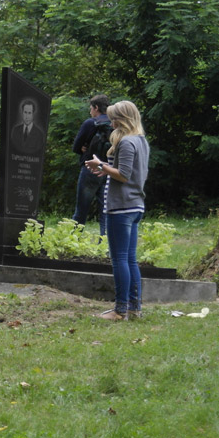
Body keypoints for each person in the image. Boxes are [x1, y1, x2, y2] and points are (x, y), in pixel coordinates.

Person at [85, 100, 149, 321]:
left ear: (123, 119)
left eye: (114, 119)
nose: (111, 123)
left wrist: (100, 166)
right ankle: (134, 308)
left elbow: (124, 175)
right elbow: (124, 172)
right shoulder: (141, 141)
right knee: (130, 259)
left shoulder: (127, 142)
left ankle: (120, 310)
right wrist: (105, 168)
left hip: (121, 207)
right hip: (135, 205)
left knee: (119, 259)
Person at [71, 94, 111, 234]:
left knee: (81, 210)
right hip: (109, 169)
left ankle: (73, 241)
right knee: (105, 211)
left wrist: (83, 148)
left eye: (91, 108)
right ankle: (105, 245)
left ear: (96, 107)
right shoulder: (114, 123)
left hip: (90, 168)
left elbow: (76, 147)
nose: (90, 111)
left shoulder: (90, 123)